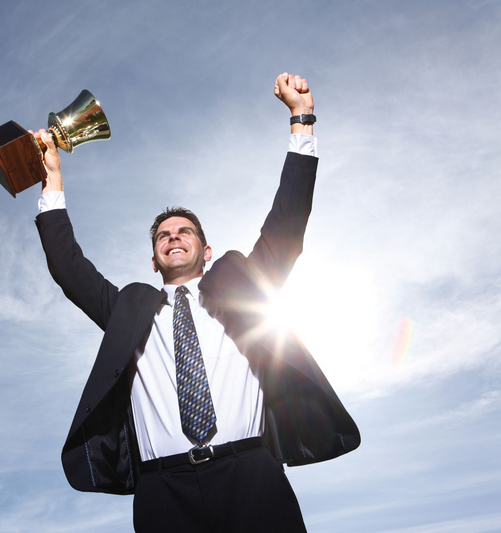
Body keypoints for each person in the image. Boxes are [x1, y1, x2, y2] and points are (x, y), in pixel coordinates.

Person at [33, 74, 360, 532]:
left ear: (206, 251)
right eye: (164, 236)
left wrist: (300, 119)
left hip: (251, 475)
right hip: (163, 492)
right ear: (153, 260)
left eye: (185, 231)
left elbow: (287, 223)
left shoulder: (243, 290)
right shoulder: (128, 310)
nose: (174, 238)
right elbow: (68, 268)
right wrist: (52, 178)